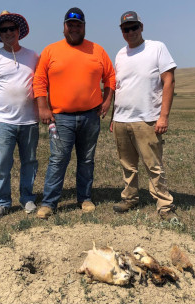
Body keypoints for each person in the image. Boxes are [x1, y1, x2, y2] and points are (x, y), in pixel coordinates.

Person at [33, 7, 115, 219]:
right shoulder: (51, 51)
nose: (74, 28)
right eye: (70, 25)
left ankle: (85, 198)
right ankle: (49, 203)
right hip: (61, 117)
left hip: (90, 116)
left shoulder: (97, 50)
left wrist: (107, 100)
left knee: (86, 159)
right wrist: (43, 106)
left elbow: (111, 77)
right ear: (64, 27)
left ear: (84, 27)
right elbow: (39, 80)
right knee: (58, 159)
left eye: (78, 25)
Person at [110, 11, 177, 220]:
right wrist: (113, 117)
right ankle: (130, 198)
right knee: (127, 164)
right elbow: (118, 88)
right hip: (122, 119)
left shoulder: (157, 48)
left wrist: (163, 116)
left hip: (147, 118)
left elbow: (169, 81)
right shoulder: (120, 54)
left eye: (133, 27)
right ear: (122, 32)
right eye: (125, 29)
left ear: (141, 27)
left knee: (154, 165)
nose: (130, 32)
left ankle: (164, 205)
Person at [0, 11, 39, 218]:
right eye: (3, 30)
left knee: (29, 162)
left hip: (29, 121)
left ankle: (27, 198)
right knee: (2, 164)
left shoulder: (33, 56)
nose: (8, 33)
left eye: (11, 29)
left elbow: (41, 85)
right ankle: (2, 202)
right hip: (3, 122)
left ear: (18, 31)